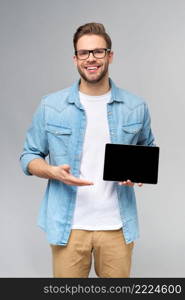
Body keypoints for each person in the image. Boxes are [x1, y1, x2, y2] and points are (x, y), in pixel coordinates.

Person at [20, 22, 155, 278]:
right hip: (68, 228)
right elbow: (28, 156)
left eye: (98, 51)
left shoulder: (136, 106)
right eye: (84, 53)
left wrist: (137, 174)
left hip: (117, 227)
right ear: (75, 59)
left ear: (110, 55)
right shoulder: (51, 106)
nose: (91, 59)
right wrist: (51, 171)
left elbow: (147, 150)